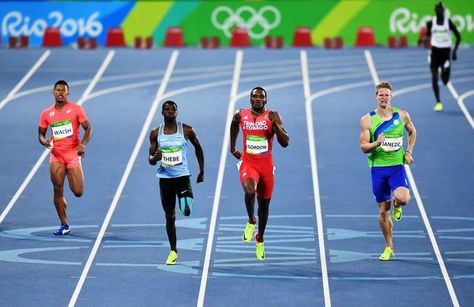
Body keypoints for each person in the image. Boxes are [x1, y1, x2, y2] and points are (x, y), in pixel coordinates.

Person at [229, 87, 289, 261]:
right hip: (249, 163)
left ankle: (260, 238)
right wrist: (232, 148)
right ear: (250, 99)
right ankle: (250, 220)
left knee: (264, 206)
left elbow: (285, 142)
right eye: (254, 96)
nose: (257, 99)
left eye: (261, 97)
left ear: (265, 100)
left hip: (266, 166)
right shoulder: (241, 114)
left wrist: (275, 125)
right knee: (249, 191)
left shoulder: (273, 116)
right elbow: (234, 124)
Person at [359, 81, 416, 261]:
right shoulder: (367, 120)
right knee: (384, 211)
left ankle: (397, 204)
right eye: (380, 95)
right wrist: (377, 143)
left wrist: (408, 152)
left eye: (386, 95)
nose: (384, 97)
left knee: (404, 198)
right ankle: (389, 247)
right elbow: (363, 147)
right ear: (376, 97)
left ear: (391, 96)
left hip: (396, 167)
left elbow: (413, 132)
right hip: (378, 169)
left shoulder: (402, 115)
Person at [148, 100, 204, 265]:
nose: (170, 111)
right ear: (162, 113)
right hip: (165, 179)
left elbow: (198, 147)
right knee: (169, 216)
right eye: (167, 109)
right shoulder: (155, 133)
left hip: (182, 177)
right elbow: (150, 159)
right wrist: (154, 158)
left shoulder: (186, 130)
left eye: (173, 109)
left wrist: (202, 170)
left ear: (177, 112)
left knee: (186, 211)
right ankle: (173, 250)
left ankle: (184, 200)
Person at [38, 80, 92, 235]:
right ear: (53, 93)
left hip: (73, 154)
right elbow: (40, 135)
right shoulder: (46, 113)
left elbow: (88, 128)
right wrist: (44, 141)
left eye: (63, 90)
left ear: (68, 93)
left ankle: (64, 206)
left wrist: (83, 144)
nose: (60, 92)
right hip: (56, 156)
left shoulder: (76, 109)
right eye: (58, 90)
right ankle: (64, 224)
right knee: (57, 190)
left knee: (78, 192)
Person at [425, 1, 461, 112]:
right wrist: (424, 40)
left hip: (445, 54)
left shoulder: (448, 22)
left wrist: (454, 52)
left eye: (441, 10)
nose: (440, 12)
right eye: (438, 10)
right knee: (434, 78)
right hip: (434, 53)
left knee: (445, 81)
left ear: (444, 11)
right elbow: (428, 36)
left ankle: (445, 72)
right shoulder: (430, 23)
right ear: (435, 11)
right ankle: (438, 102)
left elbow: (458, 37)